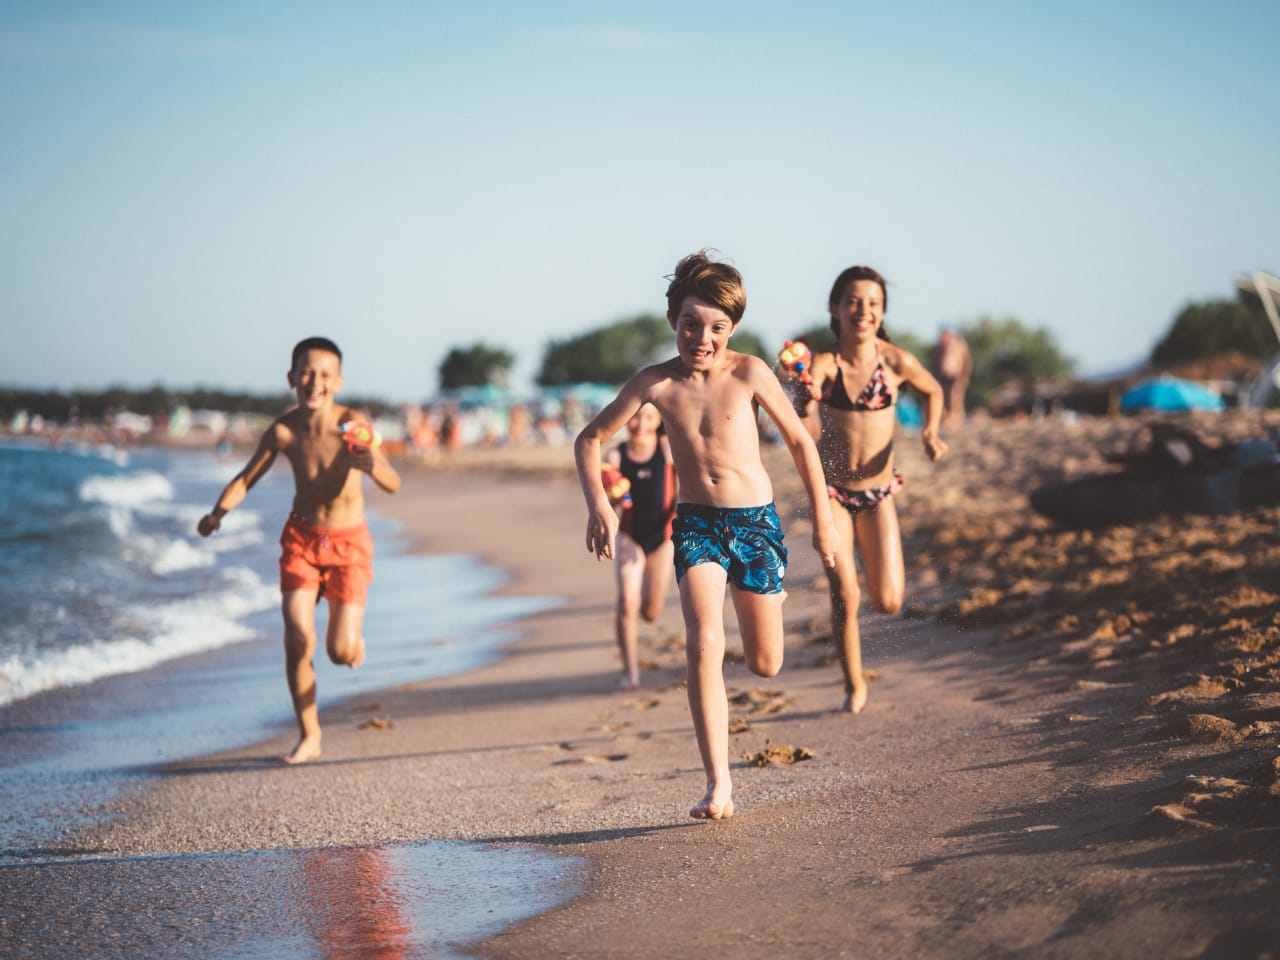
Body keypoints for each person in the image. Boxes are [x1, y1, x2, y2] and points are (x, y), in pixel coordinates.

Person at [575, 250, 840, 821]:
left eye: (717, 327)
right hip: (695, 525)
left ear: (733, 329)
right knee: (703, 641)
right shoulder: (655, 383)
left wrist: (823, 520)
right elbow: (589, 439)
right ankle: (718, 784)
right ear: (673, 320)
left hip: (755, 524)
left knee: (765, 664)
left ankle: (769, 598)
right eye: (691, 323)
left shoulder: (749, 373)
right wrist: (599, 504)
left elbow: (799, 443)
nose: (702, 337)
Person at [197, 336, 401, 764]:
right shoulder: (284, 430)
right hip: (302, 541)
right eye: (306, 373)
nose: (315, 382)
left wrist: (372, 465)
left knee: (339, 652)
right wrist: (218, 513)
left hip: (349, 543)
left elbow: (392, 480)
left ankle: (352, 644)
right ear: (291, 377)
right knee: (296, 638)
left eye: (325, 375)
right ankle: (310, 734)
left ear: (339, 381)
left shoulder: (354, 426)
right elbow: (245, 478)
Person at [793, 266, 946, 714]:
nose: (864, 311)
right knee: (846, 593)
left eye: (873, 304)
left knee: (888, 600)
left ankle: (859, 666)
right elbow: (807, 399)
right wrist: (804, 393)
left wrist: (930, 433)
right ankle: (853, 683)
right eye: (854, 303)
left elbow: (933, 390)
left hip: (879, 494)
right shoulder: (826, 362)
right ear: (835, 310)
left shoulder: (895, 361)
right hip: (834, 493)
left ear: (882, 313)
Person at [605, 402, 677, 690]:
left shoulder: (666, 447)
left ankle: (646, 614)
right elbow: (607, 503)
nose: (641, 424)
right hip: (630, 535)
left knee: (650, 611)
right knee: (627, 602)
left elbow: (687, 487)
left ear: (658, 418)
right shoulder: (616, 454)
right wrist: (612, 493)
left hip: (663, 538)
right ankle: (630, 672)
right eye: (634, 417)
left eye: (648, 417)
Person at [929, 327, 972, 425]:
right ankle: (946, 419)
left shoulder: (959, 345)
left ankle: (957, 420)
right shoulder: (938, 347)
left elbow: (966, 362)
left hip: (956, 375)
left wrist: (964, 376)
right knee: (943, 397)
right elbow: (934, 362)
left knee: (955, 398)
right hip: (942, 376)